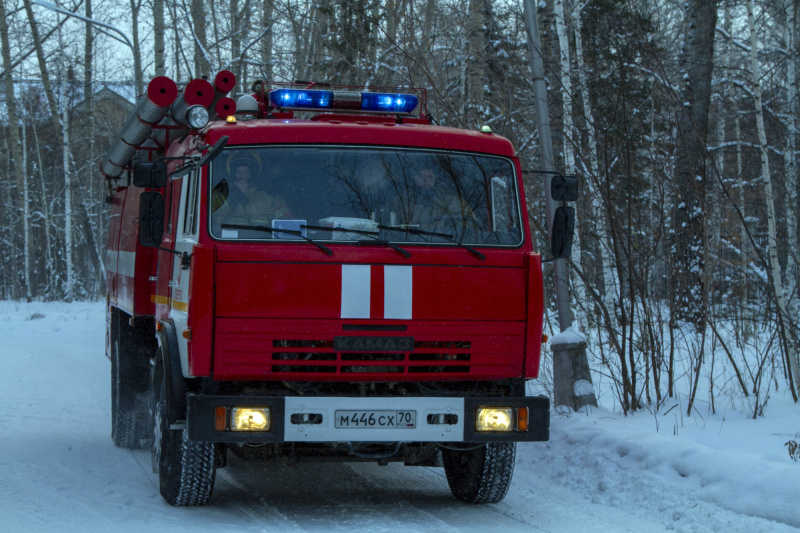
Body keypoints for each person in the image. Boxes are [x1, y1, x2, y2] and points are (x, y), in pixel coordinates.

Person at [212, 152, 292, 229]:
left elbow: (286, 222)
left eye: (247, 171)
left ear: (253, 174)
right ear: (233, 174)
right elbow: (215, 220)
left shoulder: (272, 197)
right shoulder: (220, 196)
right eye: (238, 171)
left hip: (262, 241)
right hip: (227, 242)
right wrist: (233, 196)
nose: (242, 176)